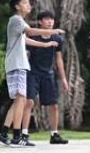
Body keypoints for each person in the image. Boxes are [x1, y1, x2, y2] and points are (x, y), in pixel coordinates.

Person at [0, 0, 64, 147]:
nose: (28, 6)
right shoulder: (16, 20)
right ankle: (17, 137)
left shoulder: (18, 22)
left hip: (16, 64)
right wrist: (53, 32)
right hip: (17, 64)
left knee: (18, 100)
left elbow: (26, 39)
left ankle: (4, 134)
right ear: (17, 6)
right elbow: (32, 32)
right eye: (25, 3)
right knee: (22, 99)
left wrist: (45, 45)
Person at [23, 10, 69, 145]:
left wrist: (64, 78)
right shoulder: (33, 38)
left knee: (54, 105)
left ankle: (54, 135)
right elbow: (26, 55)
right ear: (40, 22)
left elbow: (59, 59)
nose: (50, 22)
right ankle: (24, 134)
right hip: (32, 73)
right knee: (29, 102)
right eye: (46, 19)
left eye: (52, 19)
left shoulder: (57, 39)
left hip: (48, 74)